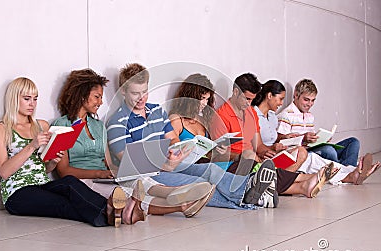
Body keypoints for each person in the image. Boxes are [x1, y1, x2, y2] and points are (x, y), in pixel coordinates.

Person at [107, 64, 329, 210]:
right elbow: (127, 158)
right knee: (201, 181)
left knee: (212, 170)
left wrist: (178, 150)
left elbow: (172, 140)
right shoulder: (117, 121)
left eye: (145, 91)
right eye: (135, 93)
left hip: (172, 164)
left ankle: (253, 192)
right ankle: (251, 198)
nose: (142, 98)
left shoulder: (157, 111)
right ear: (124, 92)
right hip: (150, 172)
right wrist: (164, 159)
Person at [53, 68, 215, 220]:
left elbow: (107, 160)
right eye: (97, 96)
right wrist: (100, 173)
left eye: (102, 97)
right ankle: (182, 204)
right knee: (128, 195)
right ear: (82, 96)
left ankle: (176, 193)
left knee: (137, 180)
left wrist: (115, 171)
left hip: (105, 175)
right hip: (84, 180)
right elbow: (64, 171)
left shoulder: (97, 126)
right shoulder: (63, 126)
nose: (101, 102)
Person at [0, 77, 134, 228]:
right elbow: (4, 171)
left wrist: (53, 161)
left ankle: (114, 212)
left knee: (70, 183)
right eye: (27, 99)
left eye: (35, 99)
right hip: (17, 193)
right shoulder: (0, 129)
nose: (32, 104)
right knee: (63, 204)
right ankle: (118, 213)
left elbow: (45, 168)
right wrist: (31, 146)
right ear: (14, 99)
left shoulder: (40, 125)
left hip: (42, 185)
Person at [213, 73, 336, 207]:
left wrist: (272, 149)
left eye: (251, 100)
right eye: (247, 99)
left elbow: (259, 145)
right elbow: (220, 154)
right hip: (236, 164)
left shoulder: (251, 113)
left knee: (298, 152)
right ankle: (306, 180)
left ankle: (304, 185)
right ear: (236, 92)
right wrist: (244, 155)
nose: (249, 104)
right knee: (258, 168)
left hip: (256, 160)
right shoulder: (220, 116)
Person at [275, 79, 380, 184]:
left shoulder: (309, 116)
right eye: (306, 100)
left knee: (353, 142)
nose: (310, 104)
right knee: (329, 150)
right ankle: (351, 172)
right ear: (296, 95)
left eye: (313, 100)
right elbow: (279, 140)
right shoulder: (286, 115)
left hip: (313, 148)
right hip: (304, 152)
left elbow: (312, 140)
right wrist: (303, 138)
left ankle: (352, 170)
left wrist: (321, 138)